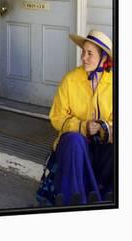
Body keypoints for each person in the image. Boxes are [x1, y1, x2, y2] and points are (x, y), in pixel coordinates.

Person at [39, 30, 113, 206]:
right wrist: (83, 126)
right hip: (77, 145)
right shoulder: (70, 80)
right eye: (83, 52)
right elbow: (56, 117)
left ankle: (108, 197)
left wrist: (107, 128)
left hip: (103, 145)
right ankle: (73, 201)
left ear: (103, 58)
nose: (84, 58)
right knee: (74, 141)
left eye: (90, 54)